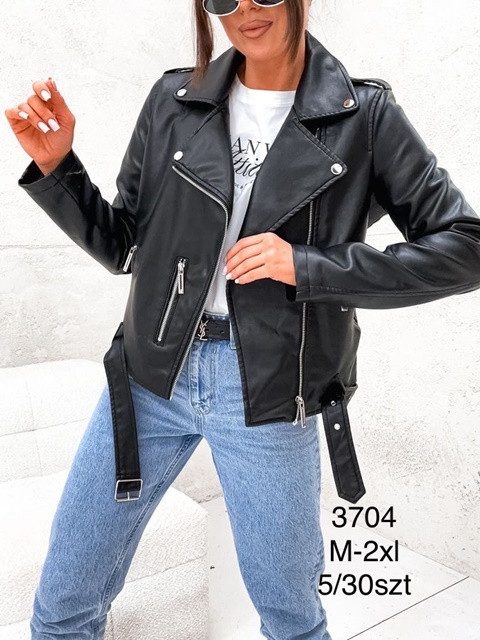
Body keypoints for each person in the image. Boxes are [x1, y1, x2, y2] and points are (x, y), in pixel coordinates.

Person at [5, 1, 480, 639]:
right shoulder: (174, 100)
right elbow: (126, 246)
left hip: (269, 388)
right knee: (62, 606)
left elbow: (465, 246)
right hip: (150, 373)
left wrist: (307, 265)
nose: (246, 9)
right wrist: (59, 167)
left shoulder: (363, 115)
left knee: (291, 623)